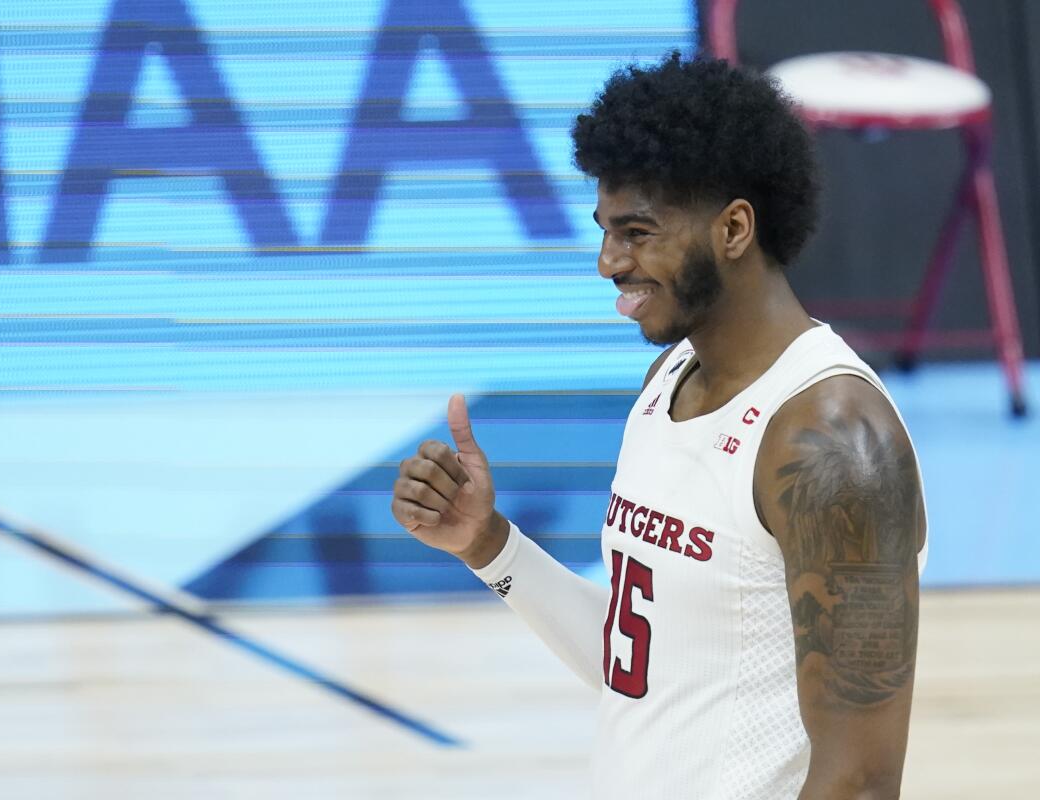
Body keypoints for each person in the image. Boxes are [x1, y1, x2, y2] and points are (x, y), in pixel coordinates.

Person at [391, 52, 928, 800]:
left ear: (735, 227)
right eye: (606, 231)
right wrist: (489, 546)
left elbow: (862, 779)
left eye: (637, 232)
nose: (608, 261)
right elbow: (640, 670)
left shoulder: (832, 442)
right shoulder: (667, 383)